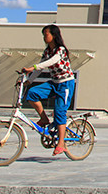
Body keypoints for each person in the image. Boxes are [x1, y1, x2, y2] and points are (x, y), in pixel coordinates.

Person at [22, 24, 75, 156]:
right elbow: (41, 67)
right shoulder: (47, 52)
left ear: (54, 35)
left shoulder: (60, 50)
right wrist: (29, 80)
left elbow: (51, 62)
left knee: (59, 112)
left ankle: (61, 144)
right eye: (44, 34)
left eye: (46, 34)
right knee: (32, 93)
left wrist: (32, 67)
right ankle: (44, 119)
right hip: (54, 83)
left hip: (65, 84)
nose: (44, 37)